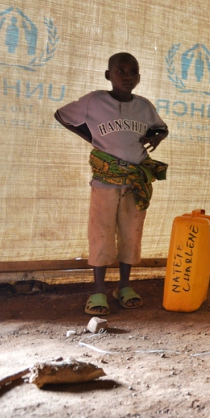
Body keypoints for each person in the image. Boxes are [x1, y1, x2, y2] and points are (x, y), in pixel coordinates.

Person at [55, 52, 168, 316]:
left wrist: (158, 137)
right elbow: (61, 115)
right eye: (121, 71)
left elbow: (161, 128)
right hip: (105, 181)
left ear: (139, 77)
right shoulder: (95, 101)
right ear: (109, 75)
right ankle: (98, 291)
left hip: (135, 181)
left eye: (133, 72)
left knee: (131, 234)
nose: (127, 76)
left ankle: (124, 287)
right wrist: (91, 137)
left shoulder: (144, 106)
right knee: (102, 234)